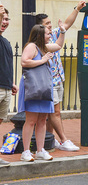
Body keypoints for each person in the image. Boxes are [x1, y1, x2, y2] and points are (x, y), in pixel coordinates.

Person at [37, 1, 85, 152]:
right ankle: (64, 140)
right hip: (49, 82)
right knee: (55, 112)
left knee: (53, 112)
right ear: (40, 27)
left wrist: (77, 9)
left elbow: (67, 23)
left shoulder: (54, 34)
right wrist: (62, 32)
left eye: (50, 23)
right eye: (47, 24)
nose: (50, 26)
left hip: (58, 80)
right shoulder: (40, 41)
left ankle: (50, 139)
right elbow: (57, 45)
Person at [19, 23, 66, 162]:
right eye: (47, 34)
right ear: (40, 35)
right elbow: (24, 62)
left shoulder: (43, 47)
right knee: (31, 120)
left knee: (42, 120)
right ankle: (26, 151)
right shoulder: (31, 47)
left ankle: (40, 150)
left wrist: (62, 31)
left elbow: (58, 46)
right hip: (34, 87)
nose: (50, 35)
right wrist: (42, 60)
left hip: (44, 87)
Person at [0, 6, 18, 167]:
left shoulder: (5, 42)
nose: (4, 22)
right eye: (2, 19)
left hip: (5, 88)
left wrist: (10, 83)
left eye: (7, 19)